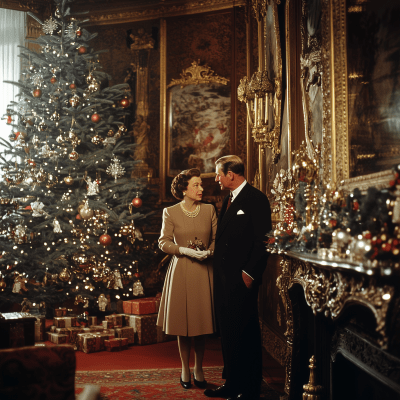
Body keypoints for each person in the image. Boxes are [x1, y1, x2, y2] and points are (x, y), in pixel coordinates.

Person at [204, 155, 272, 400]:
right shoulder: (228, 199)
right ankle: (232, 383)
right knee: (229, 332)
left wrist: (249, 273)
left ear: (231, 174)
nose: (216, 178)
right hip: (223, 279)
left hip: (242, 279)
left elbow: (263, 241)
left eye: (218, 173)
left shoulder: (256, 199)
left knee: (246, 332)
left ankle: (250, 388)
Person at [157, 168, 217, 390]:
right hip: (181, 269)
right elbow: (163, 242)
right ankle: (184, 367)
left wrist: (209, 252)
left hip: (204, 271)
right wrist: (183, 250)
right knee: (183, 324)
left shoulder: (209, 209)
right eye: (196, 185)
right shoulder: (170, 212)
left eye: (201, 184)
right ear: (184, 189)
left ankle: (199, 367)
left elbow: (216, 239)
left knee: (201, 322)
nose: (201, 188)